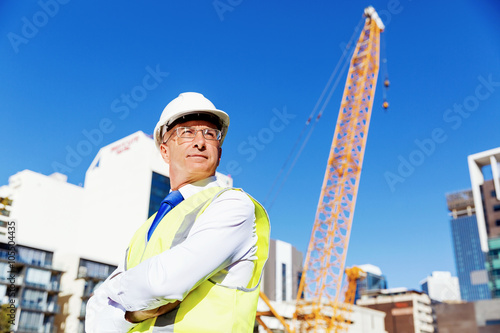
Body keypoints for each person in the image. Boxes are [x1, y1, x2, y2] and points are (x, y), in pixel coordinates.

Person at [85, 92, 270, 332]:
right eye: (187, 132)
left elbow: (162, 284)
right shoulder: (146, 229)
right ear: (164, 151)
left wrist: (118, 299)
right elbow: (96, 316)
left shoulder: (233, 205)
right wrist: (136, 309)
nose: (200, 142)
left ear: (219, 152)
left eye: (210, 133)